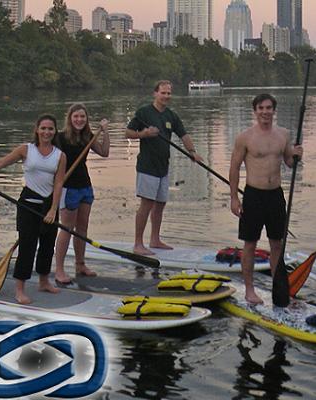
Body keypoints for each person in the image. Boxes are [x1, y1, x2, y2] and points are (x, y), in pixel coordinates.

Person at [0, 114, 66, 304]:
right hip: (27, 205)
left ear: (55, 131)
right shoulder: (26, 150)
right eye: (43, 128)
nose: (47, 132)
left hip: (48, 206)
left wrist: (53, 209)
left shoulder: (60, 156)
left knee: (47, 246)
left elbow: (58, 184)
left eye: (50, 128)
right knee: (27, 246)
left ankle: (44, 282)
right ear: (37, 129)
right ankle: (20, 290)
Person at [229, 93, 303, 305]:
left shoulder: (283, 134)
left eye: (269, 108)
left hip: (275, 195)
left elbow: (289, 162)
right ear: (255, 111)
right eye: (261, 108)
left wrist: (297, 154)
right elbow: (234, 167)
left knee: (277, 244)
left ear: (274, 110)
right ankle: (250, 290)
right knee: (250, 244)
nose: (265, 112)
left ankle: (278, 288)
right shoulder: (245, 137)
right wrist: (234, 198)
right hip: (253, 194)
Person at [125, 80, 203, 255]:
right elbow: (127, 133)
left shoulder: (171, 116)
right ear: (155, 93)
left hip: (163, 167)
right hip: (147, 167)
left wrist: (192, 152)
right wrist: (143, 134)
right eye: (163, 93)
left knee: (160, 204)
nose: (166, 96)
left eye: (169, 93)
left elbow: (184, 134)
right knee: (146, 204)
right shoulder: (143, 112)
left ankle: (155, 239)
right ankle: (138, 243)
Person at [53, 103, 109, 284]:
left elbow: (104, 152)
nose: (79, 120)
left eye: (82, 117)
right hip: (68, 188)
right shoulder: (60, 138)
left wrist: (105, 131)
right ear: (70, 118)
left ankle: (80, 264)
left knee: (82, 229)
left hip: (85, 186)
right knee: (66, 229)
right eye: (76, 116)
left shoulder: (88, 137)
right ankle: (59, 269)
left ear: (86, 119)